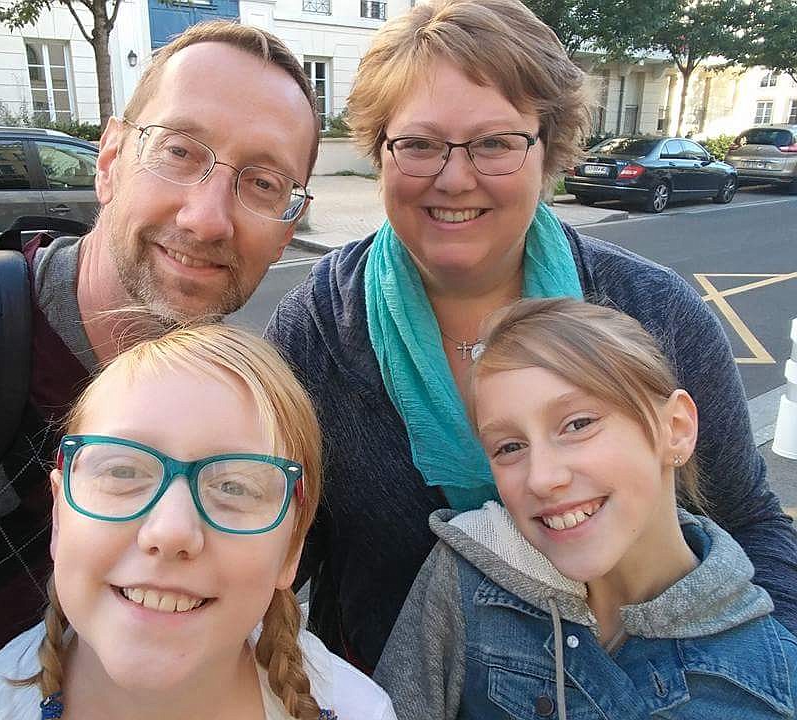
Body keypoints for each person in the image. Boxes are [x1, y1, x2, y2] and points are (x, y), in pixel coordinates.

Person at [265, 0, 797, 675]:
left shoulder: (651, 311)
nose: (454, 177)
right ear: (380, 153)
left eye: (494, 143)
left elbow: (748, 519)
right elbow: (277, 550)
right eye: (420, 144)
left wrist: (771, 680)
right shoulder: (317, 332)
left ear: (549, 150)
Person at [0, 22, 320, 719]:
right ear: (111, 159)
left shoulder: (238, 412)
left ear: (287, 228)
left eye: (264, 183)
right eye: (181, 152)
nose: (208, 218)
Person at [0, 325, 396, 720]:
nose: (170, 532)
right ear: (60, 516)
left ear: (291, 549)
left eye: (234, 487)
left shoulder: (363, 710)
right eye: (123, 471)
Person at [374, 298, 797, 719]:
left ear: (676, 429)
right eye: (509, 447)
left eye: (578, 424)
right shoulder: (469, 572)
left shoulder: (771, 685)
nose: (541, 478)